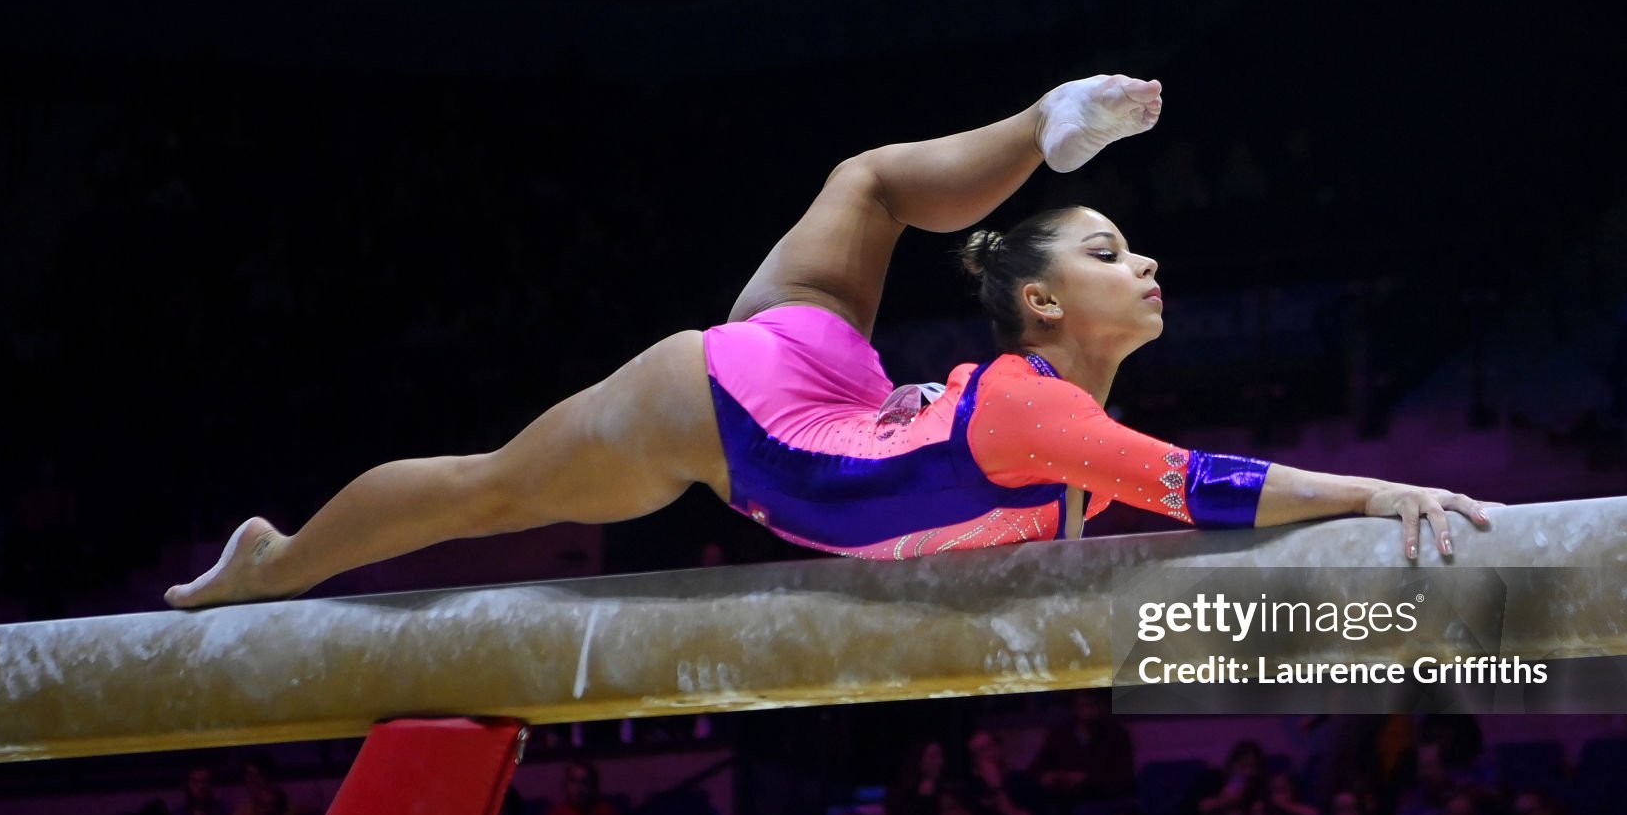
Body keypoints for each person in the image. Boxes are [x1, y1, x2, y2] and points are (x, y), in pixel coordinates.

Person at [165, 75, 1495, 607]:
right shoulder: (1042, 412)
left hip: (837, 394)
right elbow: (1199, 485)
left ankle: (1043, 127)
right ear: (1039, 307)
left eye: (1131, 249)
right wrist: (1378, 489)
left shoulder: (1044, 420)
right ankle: (277, 565)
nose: (1145, 264)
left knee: (868, 185)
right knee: (491, 493)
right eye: (1105, 250)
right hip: (734, 409)